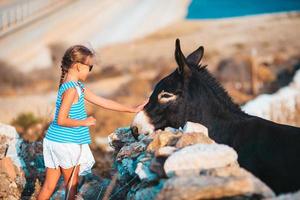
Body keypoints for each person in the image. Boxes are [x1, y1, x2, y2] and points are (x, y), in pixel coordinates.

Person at [37, 45, 147, 200]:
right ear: (77, 66)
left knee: (49, 186)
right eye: (90, 66)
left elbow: (103, 101)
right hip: (66, 143)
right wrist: (84, 122)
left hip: (54, 140)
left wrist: (131, 109)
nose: (90, 70)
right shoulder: (71, 90)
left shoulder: (73, 86)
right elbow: (61, 119)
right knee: (72, 187)